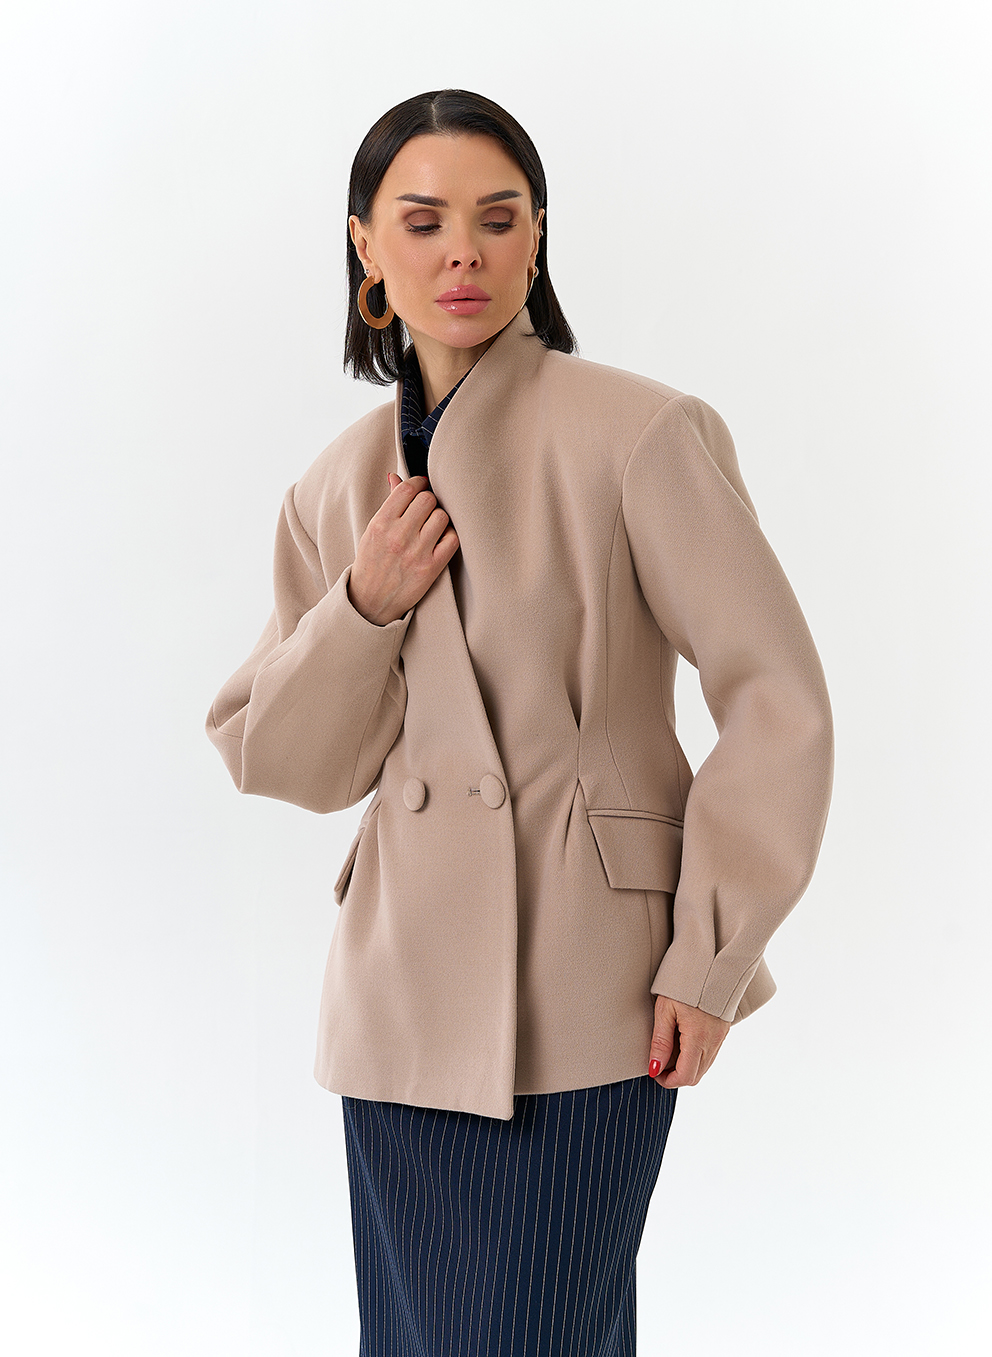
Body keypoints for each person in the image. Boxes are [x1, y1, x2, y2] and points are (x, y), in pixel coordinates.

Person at [206, 88, 834, 1357]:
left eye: (498, 221)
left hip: (590, 988)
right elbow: (279, 758)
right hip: (397, 1007)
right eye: (423, 222)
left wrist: (707, 956)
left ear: (536, 239)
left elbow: (775, 695)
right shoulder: (334, 486)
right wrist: (364, 606)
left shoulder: (637, 434)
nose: (464, 254)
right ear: (364, 247)